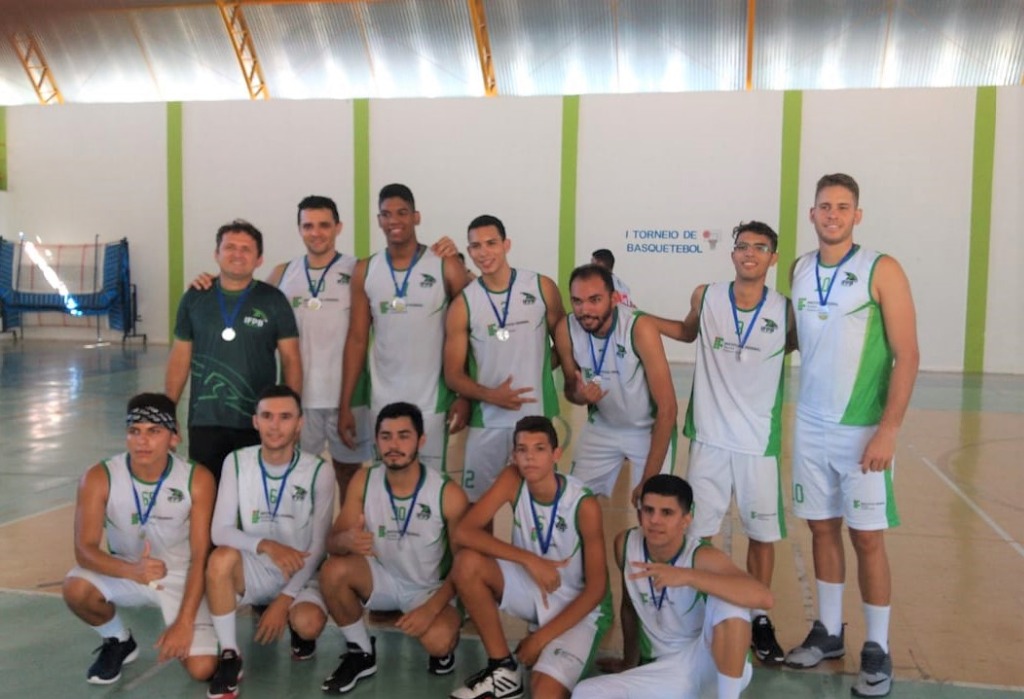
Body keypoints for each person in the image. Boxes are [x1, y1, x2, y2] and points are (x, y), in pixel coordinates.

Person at [785, 174, 919, 698]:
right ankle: (829, 631)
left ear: (857, 215)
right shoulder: (799, 269)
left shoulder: (881, 269)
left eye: (843, 207)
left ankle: (878, 646)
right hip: (810, 424)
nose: (833, 215)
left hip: (863, 429)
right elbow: (799, 338)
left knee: (867, 537)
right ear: (812, 214)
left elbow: (908, 354)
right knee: (821, 529)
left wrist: (888, 431)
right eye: (825, 206)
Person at [648, 221, 796, 664]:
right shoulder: (706, 296)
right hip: (709, 439)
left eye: (760, 247)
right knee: (699, 533)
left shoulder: (787, 311)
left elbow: (798, 346)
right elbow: (686, 331)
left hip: (757, 444)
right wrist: (638, 316)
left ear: (773, 258)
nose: (750, 253)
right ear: (732, 254)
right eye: (743, 246)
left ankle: (758, 617)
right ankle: (701, 611)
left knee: (762, 536)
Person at [449, 416, 611, 699]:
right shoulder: (512, 479)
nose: (529, 458)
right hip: (532, 586)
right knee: (467, 563)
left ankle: (550, 648)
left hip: (578, 606)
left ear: (556, 454)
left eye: (539, 449)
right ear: (514, 455)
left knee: (544, 693)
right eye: (522, 449)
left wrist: (540, 638)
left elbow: (597, 590)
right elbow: (464, 532)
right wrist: (530, 559)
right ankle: (503, 669)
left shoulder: (582, 504)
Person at [62, 393, 217, 685]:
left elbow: (200, 557)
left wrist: (184, 623)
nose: (142, 441)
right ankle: (118, 639)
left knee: (203, 669)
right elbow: (84, 550)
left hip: (181, 576)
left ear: (174, 437)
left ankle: (205, 629)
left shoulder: (196, 479)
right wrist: (132, 570)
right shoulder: (99, 477)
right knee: (76, 588)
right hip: (126, 570)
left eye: (154, 431)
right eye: (134, 431)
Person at [573, 475, 773, 699]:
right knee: (585, 692)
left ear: (686, 519)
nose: (655, 520)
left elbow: (764, 598)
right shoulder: (626, 544)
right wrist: (629, 663)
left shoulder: (701, 555)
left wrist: (686, 576)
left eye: (666, 513)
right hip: (665, 672)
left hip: (711, 664)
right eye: (648, 510)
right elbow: (630, 606)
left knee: (730, 604)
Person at [317, 401, 469, 695]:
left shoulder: (447, 493)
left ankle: (443, 650)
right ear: (376, 442)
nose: (394, 445)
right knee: (333, 570)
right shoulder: (364, 479)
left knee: (438, 642)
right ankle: (361, 651)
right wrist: (346, 540)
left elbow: (464, 567)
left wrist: (431, 609)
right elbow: (332, 543)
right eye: (386, 436)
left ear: (421, 441)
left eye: (403, 436)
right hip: (382, 578)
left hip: (429, 588)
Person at [204, 385, 334, 699]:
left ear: (300, 423)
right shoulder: (237, 462)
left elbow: (319, 547)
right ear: (255, 421)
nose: (275, 425)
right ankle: (230, 655)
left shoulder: (319, 471)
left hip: (300, 570)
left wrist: (284, 599)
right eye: (267, 416)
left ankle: (297, 628)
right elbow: (219, 531)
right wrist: (268, 545)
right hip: (255, 567)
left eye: (285, 417)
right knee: (219, 559)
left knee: (308, 623)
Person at [339, 184, 470, 472]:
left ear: (416, 217)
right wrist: (345, 403)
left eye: (402, 212)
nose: (394, 221)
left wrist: (464, 395)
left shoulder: (445, 265)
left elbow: (470, 333)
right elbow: (357, 339)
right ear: (379, 220)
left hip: (433, 399)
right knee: (387, 479)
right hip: (382, 399)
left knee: (431, 483)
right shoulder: (365, 270)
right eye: (386, 214)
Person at [165, 219, 301, 483]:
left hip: (259, 420)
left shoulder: (273, 300)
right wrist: (167, 411)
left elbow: (291, 359)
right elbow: (180, 357)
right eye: (230, 247)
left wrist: (292, 413)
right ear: (216, 254)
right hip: (206, 419)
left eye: (246, 249)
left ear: (259, 259)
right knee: (207, 490)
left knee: (254, 491)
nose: (237, 254)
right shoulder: (194, 298)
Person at [444, 214, 565, 502]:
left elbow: (565, 345)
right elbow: (453, 375)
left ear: (506, 245)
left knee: (537, 504)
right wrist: (492, 396)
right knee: (477, 505)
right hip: (487, 422)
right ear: (469, 251)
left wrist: (539, 369)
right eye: (476, 246)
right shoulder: (464, 304)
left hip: (535, 417)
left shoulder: (540, 287)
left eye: (491, 243)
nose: (484, 252)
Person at [553, 264, 678, 506]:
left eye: (595, 300)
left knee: (651, 506)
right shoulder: (565, 329)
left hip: (647, 430)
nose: (585, 310)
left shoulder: (639, 328)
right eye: (577, 301)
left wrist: (649, 479)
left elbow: (669, 409)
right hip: (603, 426)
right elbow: (570, 388)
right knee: (571, 504)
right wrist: (581, 396)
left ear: (613, 299)